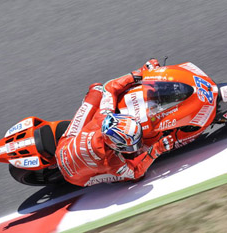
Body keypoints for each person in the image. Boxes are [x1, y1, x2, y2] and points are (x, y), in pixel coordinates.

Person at [55, 59, 174, 187]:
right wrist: (156, 149)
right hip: (75, 177)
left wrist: (139, 73)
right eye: (131, 145)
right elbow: (135, 172)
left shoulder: (103, 116)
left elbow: (109, 88)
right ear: (115, 146)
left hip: (67, 143)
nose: (138, 144)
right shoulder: (112, 162)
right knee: (135, 178)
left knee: (97, 89)